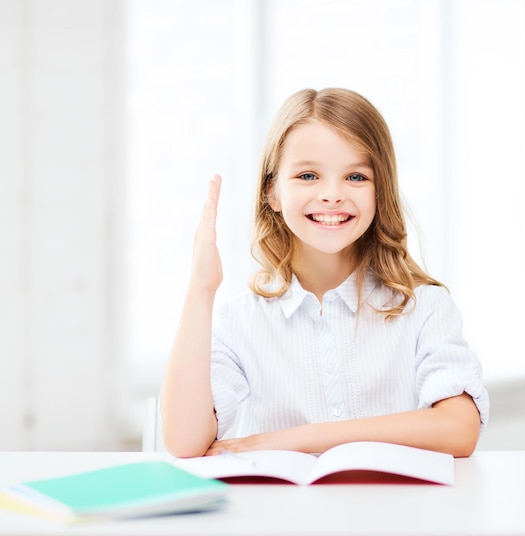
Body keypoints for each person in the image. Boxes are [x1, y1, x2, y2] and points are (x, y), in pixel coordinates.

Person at [160, 87, 489, 459]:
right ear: (273, 193)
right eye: (308, 176)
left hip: (397, 517)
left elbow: (459, 429)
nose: (332, 194)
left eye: (355, 177)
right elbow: (184, 442)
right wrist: (201, 290)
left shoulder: (424, 307)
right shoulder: (242, 323)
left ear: (381, 192)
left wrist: (307, 438)